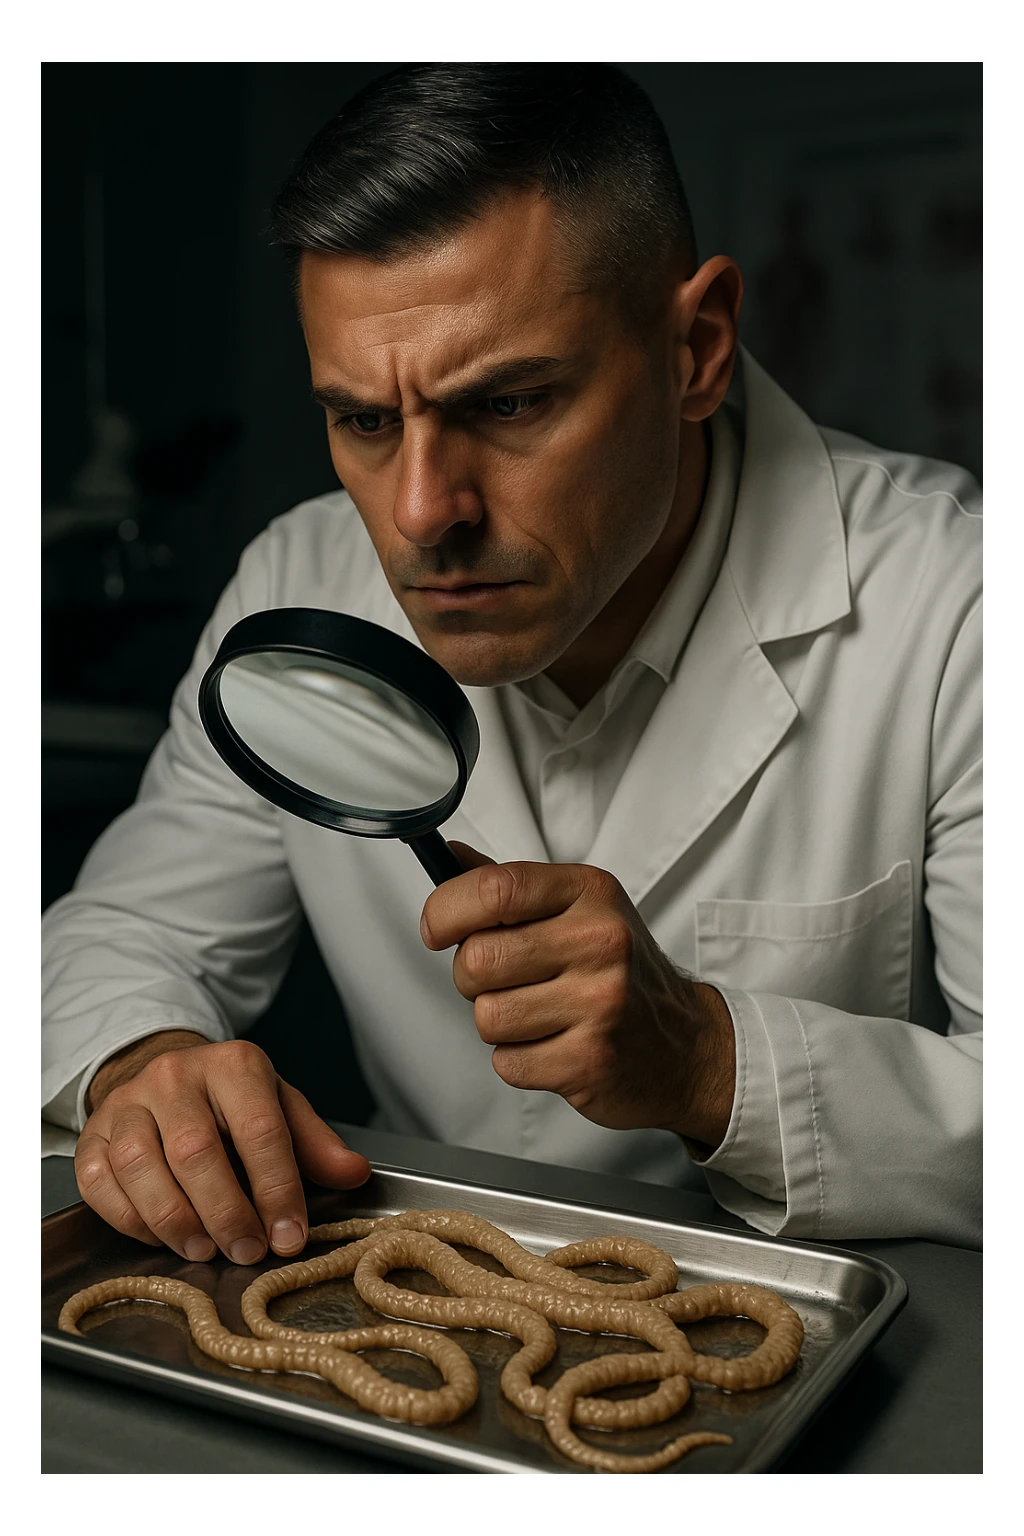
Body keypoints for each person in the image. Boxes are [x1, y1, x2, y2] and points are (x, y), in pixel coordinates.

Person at [41, 64, 981, 1269]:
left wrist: (707, 1060)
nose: (423, 513)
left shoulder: (958, 607)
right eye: (366, 422)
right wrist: (141, 1062)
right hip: (414, 1300)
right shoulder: (296, 584)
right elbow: (119, 929)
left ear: (695, 347)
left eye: (512, 402)